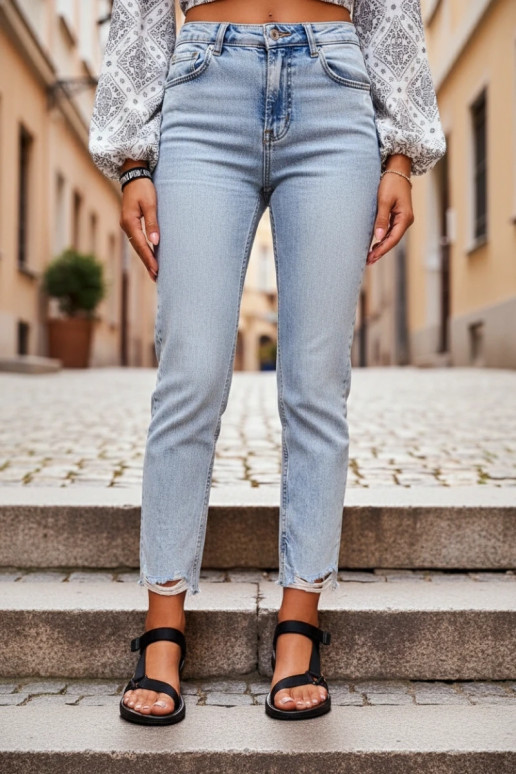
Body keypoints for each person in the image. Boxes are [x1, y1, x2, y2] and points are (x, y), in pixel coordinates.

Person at [89, 0, 446, 725]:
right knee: (188, 374)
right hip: (203, 87)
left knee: (316, 382)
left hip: (334, 89)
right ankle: (162, 635)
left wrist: (401, 151)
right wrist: (132, 159)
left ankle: (298, 627)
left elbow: (392, 7)